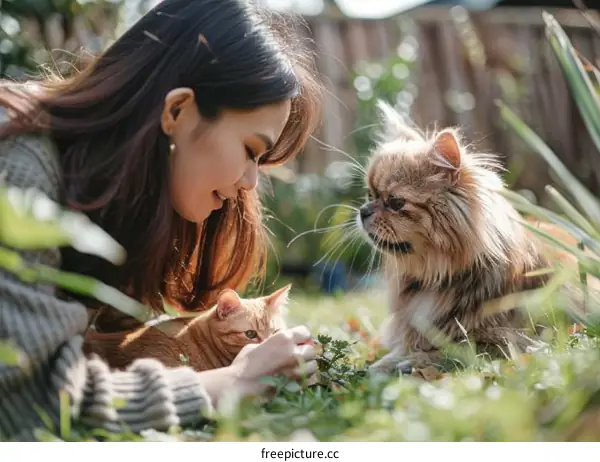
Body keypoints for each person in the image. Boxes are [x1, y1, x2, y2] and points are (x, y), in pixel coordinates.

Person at [0, 0, 323, 441]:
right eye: (251, 149)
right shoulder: (18, 171)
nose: (250, 182)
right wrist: (228, 382)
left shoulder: (108, 205)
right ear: (176, 112)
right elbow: (33, 409)